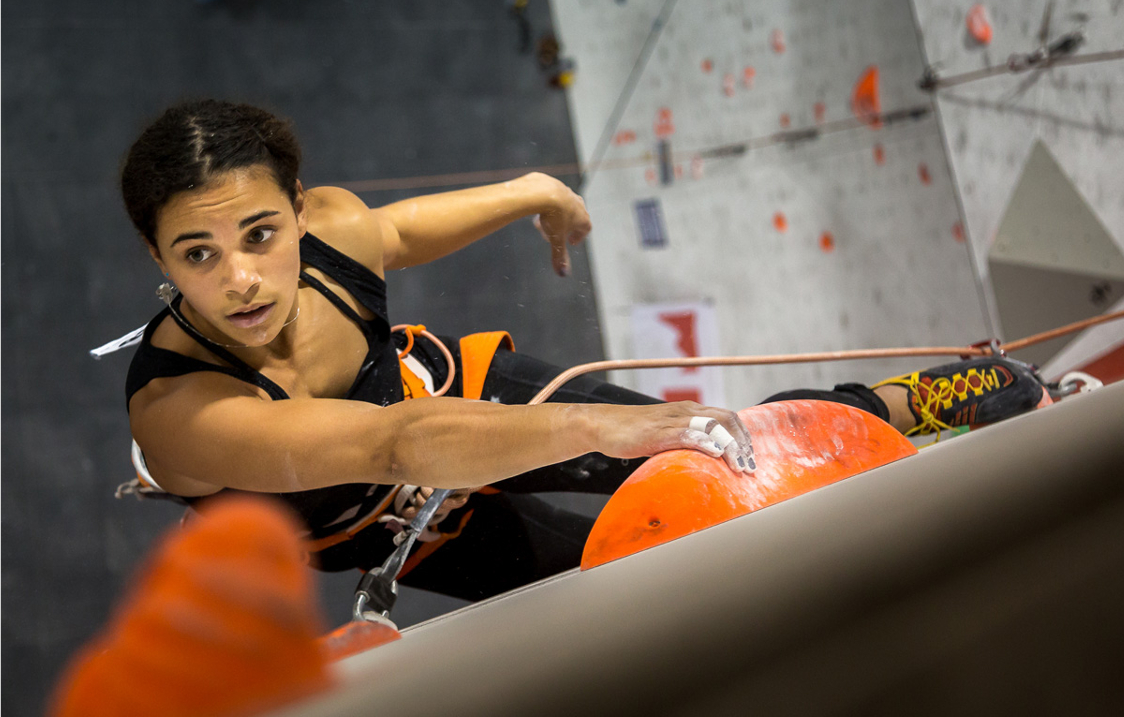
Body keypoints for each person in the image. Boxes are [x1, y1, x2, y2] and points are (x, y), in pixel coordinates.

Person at [121, 99, 1050, 601]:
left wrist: (532, 189)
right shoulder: (180, 417)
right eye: (198, 255)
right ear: (158, 260)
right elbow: (391, 443)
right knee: (624, 576)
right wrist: (598, 427)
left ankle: (917, 399)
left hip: (452, 391)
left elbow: (396, 233)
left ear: (295, 208)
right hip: (395, 520)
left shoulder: (330, 233)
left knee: (740, 447)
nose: (240, 278)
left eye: (258, 234)